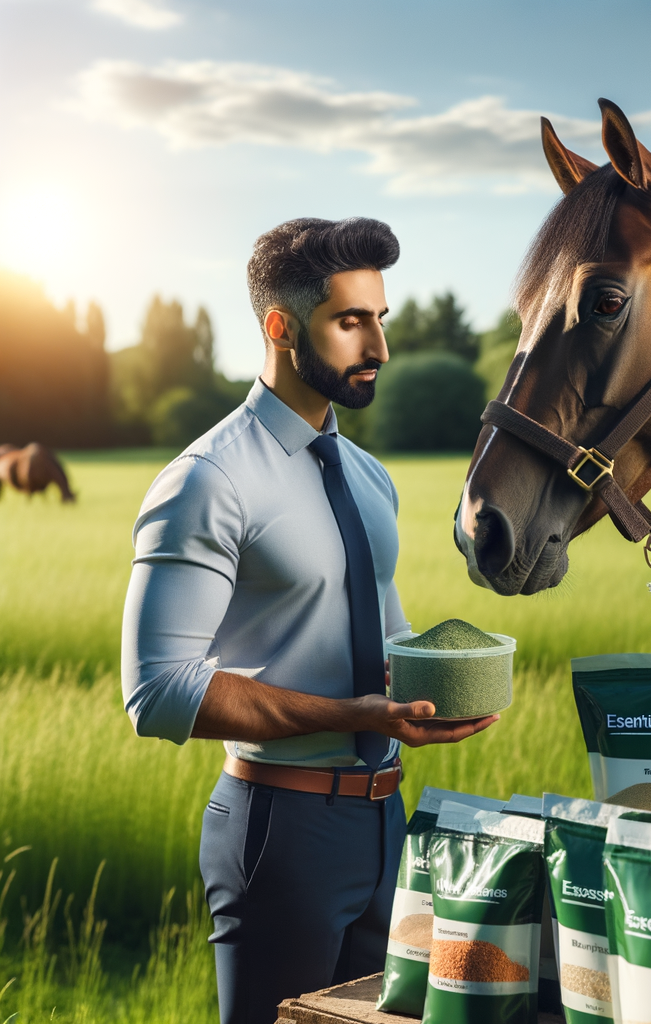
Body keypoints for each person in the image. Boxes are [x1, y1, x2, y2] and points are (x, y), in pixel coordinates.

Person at [120, 216, 497, 1024]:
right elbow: (155, 691)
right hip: (279, 831)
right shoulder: (207, 481)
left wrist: (441, 681)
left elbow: (381, 642)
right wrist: (349, 715)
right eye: (351, 321)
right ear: (281, 328)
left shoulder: (368, 478)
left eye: (380, 319)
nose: (380, 348)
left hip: (389, 823)